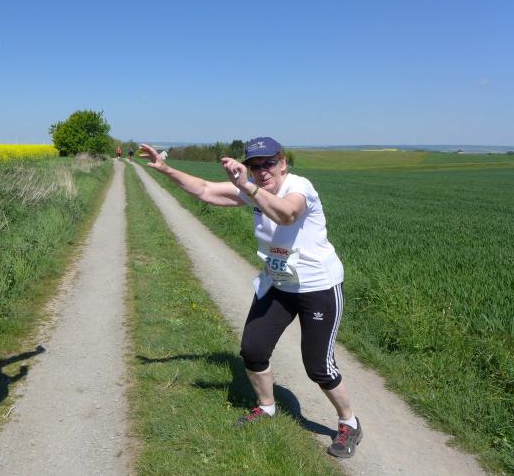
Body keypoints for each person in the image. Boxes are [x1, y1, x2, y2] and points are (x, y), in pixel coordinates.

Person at [139, 137, 362, 459]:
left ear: (282, 163)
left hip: (317, 288)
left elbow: (287, 215)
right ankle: (267, 407)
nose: (262, 170)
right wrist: (165, 169)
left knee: (319, 367)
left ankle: (349, 422)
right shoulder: (253, 187)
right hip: (279, 284)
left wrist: (247, 185)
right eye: (254, 166)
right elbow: (205, 190)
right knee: (253, 350)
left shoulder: (299, 187)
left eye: (268, 163)